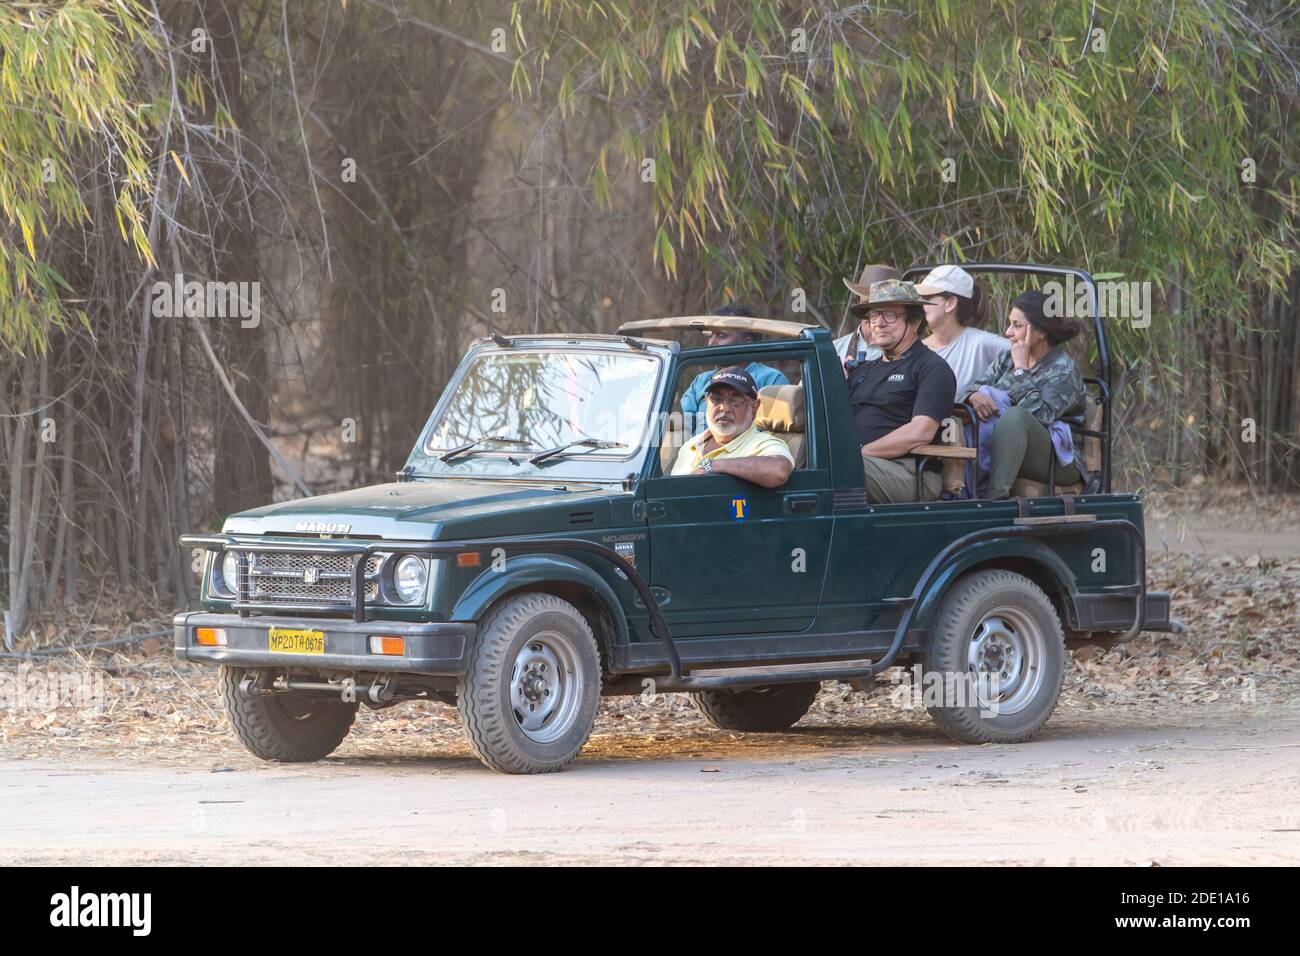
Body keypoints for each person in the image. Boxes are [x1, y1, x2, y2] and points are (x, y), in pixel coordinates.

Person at [960, 290, 1086, 499]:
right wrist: (972, 396)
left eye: (1017, 325)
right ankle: (959, 495)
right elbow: (973, 386)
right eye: (1010, 324)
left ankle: (994, 499)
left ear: (1041, 332)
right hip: (1005, 443)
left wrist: (1020, 369)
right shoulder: (1006, 358)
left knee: (1015, 416)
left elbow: (1040, 416)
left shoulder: (1063, 368)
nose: (1008, 332)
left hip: (1058, 457)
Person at [847, 280, 957, 502]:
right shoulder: (863, 371)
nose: (879, 323)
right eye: (874, 315)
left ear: (915, 322)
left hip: (910, 472)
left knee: (838, 470)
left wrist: (858, 454)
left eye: (889, 315)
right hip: (862, 465)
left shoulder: (932, 368)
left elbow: (920, 432)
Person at [671, 367, 795, 488]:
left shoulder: (762, 443)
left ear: (755, 407)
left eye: (736, 400)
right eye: (716, 399)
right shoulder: (691, 444)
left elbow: (779, 470)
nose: (724, 408)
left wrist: (711, 466)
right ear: (707, 401)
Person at [679, 304, 788, 434]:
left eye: (720, 335)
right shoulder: (701, 381)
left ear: (746, 343)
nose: (711, 343)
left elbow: (771, 436)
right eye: (710, 335)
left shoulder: (771, 379)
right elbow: (679, 428)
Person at [914, 265, 1009, 396]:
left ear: (950, 303)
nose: (920, 304)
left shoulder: (980, 344)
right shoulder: (916, 349)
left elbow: (1027, 355)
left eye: (927, 298)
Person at [835, 263, 899, 372]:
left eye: (884, 309)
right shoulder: (835, 349)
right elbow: (802, 388)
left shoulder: (909, 354)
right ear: (857, 303)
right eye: (867, 306)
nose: (876, 318)